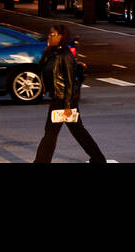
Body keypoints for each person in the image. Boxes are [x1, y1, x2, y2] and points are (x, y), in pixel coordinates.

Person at [33, 23, 105, 163]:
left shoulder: (65, 55)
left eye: (53, 34)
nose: (50, 36)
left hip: (63, 100)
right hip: (59, 99)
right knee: (77, 131)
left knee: (51, 133)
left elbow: (70, 82)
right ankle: (98, 159)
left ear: (61, 37)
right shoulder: (53, 53)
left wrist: (67, 106)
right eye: (49, 33)